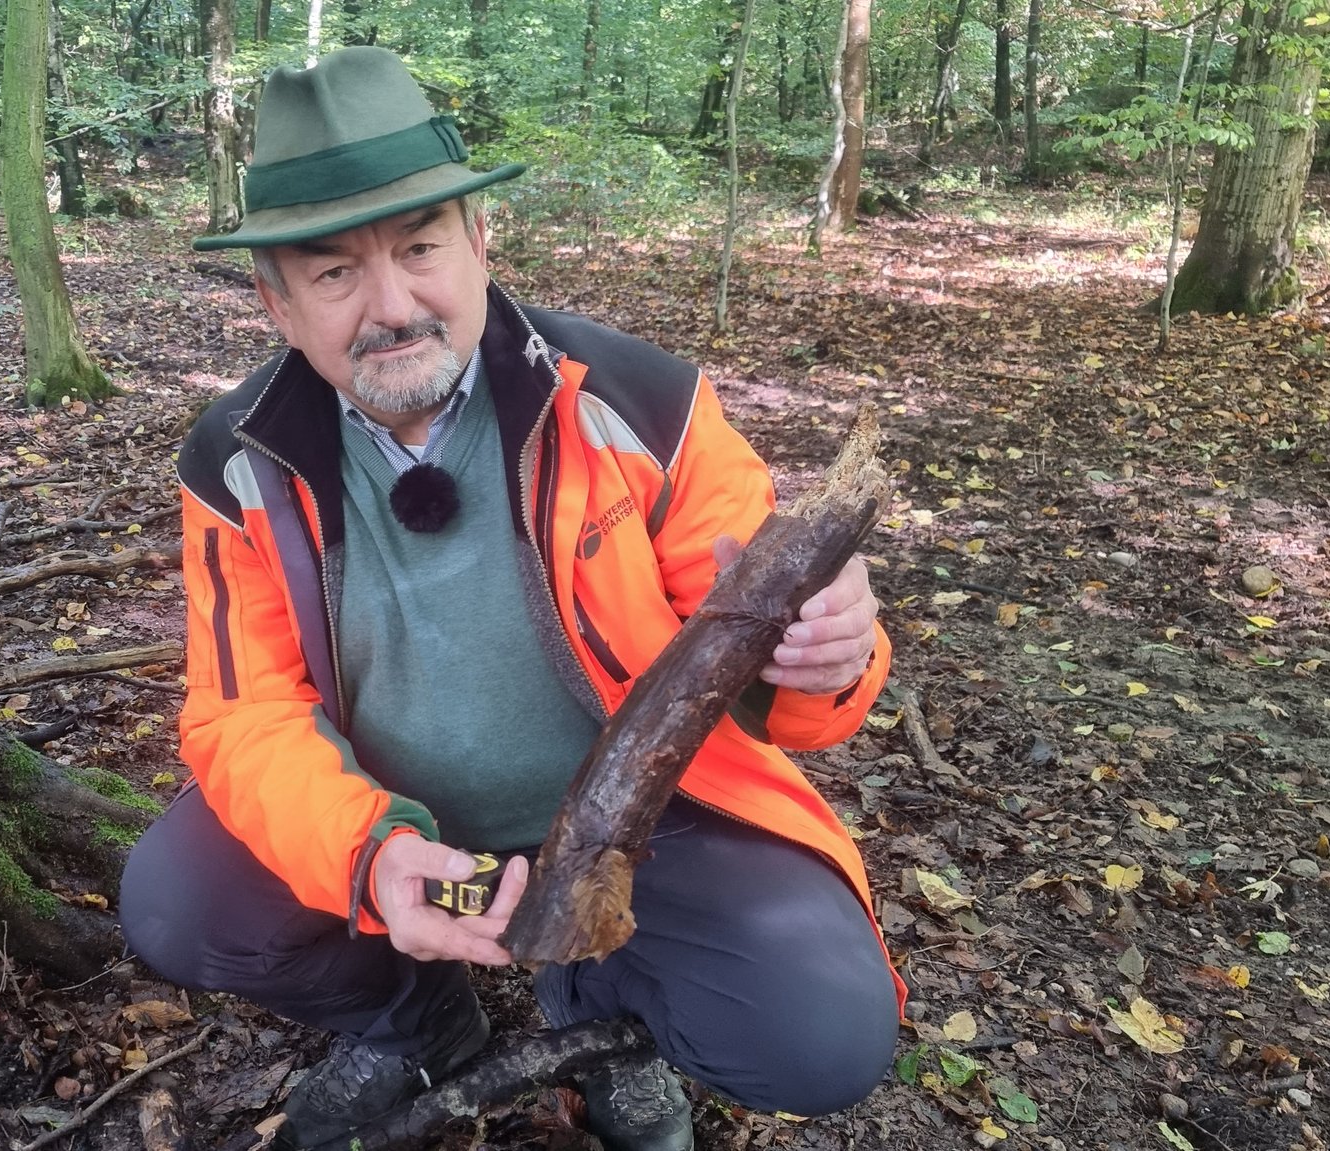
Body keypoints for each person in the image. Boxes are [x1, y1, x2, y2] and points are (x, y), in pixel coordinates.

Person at [120, 46, 903, 1151]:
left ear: (479, 243)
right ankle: (417, 1022)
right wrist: (368, 854)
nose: (392, 305)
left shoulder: (639, 402)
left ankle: (598, 1023)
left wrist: (827, 656)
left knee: (816, 1034)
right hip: (406, 828)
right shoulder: (236, 463)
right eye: (334, 272)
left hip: (647, 827)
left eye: (420, 248)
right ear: (277, 300)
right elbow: (239, 712)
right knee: (179, 903)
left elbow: (780, 688)